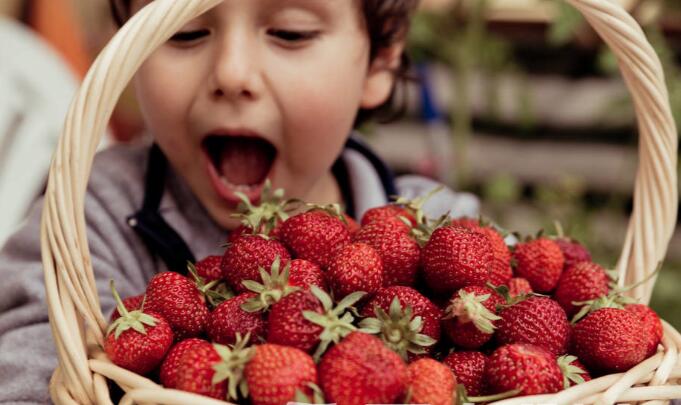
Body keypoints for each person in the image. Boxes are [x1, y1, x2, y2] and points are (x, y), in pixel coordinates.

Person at [0, 0, 478, 403]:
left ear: (380, 60)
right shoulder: (90, 217)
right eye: (185, 33)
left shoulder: (444, 236)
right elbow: (26, 372)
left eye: (290, 33)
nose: (231, 73)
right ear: (130, 48)